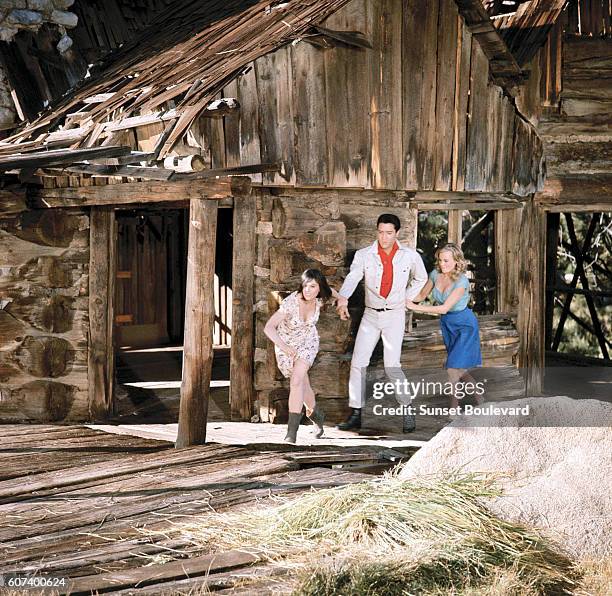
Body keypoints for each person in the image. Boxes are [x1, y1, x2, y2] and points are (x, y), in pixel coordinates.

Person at [335, 214, 428, 432]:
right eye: (380, 232)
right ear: (376, 231)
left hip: (394, 315)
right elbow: (353, 277)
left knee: (392, 366)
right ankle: (356, 413)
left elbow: (421, 279)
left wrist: (407, 298)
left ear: (397, 233)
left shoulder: (410, 256)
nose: (384, 237)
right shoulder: (364, 255)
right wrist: (343, 298)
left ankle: (407, 409)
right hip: (371, 315)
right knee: (358, 362)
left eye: (388, 233)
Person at [264, 269, 342, 443]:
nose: (307, 290)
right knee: (303, 385)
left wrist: (342, 299)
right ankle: (316, 415)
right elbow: (268, 327)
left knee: (297, 381)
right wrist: (284, 347)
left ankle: (291, 433)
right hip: (287, 346)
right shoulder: (291, 303)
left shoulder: (321, 298)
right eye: (305, 285)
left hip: (308, 342)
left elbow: (333, 292)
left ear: (319, 288)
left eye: (312, 286)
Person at [406, 242, 483, 411]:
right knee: (459, 368)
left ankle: (453, 409)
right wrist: (404, 300)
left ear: (457, 261)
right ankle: (481, 399)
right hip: (448, 324)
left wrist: (413, 307)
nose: (443, 264)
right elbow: (421, 295)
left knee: (452, 367)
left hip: (464, 325)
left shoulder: (462, 282)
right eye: (440, 260)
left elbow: (444, 308)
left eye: (447, 261)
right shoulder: (435, 274)